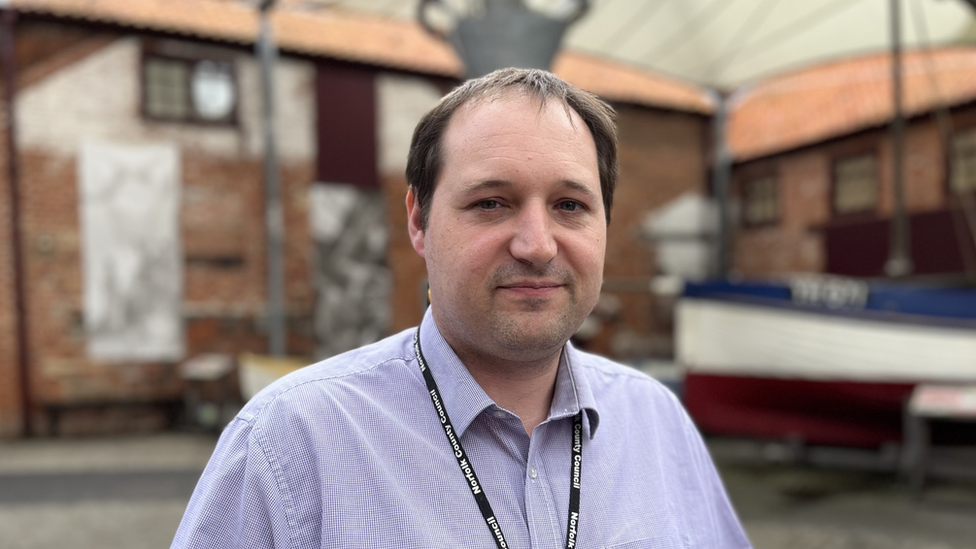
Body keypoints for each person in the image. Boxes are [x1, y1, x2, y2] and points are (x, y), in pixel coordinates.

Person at [172, 68, 752, 549]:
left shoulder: (657, 421)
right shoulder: (290, 444)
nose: (537, 244)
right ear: (419, 220)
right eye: (492, 203)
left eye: (570, 205)